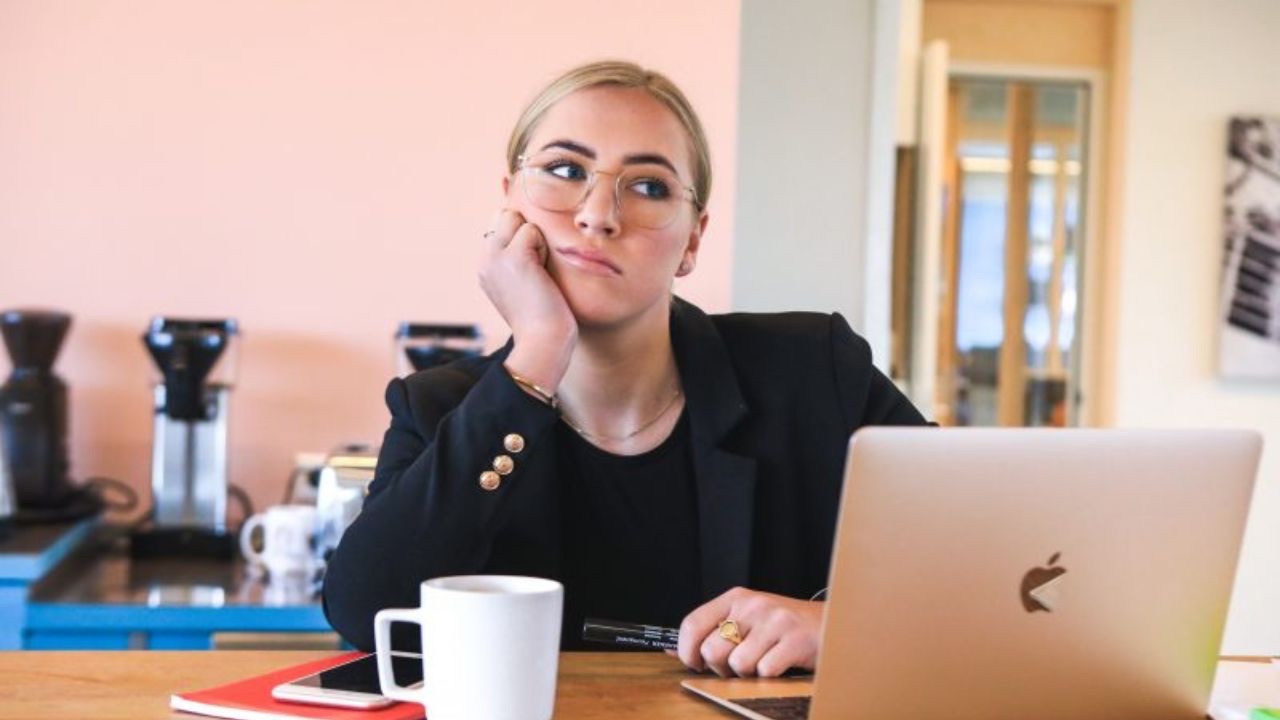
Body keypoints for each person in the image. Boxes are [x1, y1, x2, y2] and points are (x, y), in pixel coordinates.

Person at [322, 60, 928, 679]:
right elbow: (366, 613)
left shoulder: (814, 371)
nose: (597, 214)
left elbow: (995, 563)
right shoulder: (439, 407)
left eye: (648, 186)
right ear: (508, 202)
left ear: (693, 239)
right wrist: (535, 355)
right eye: (565, 171)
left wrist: (841, 626)